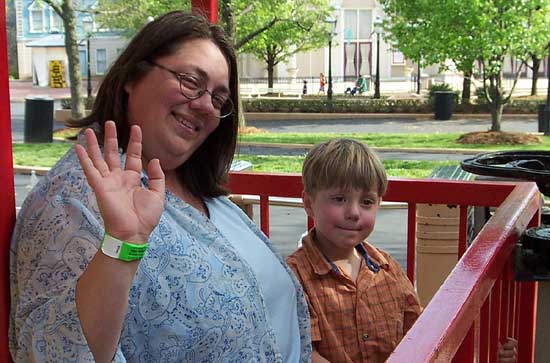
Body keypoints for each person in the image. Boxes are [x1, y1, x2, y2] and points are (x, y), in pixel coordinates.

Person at [10, 11, 311, 363]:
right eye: (189, 81)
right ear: (133, 76)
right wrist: (123, 243)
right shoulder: (75, 198)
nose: (204, 105)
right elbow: (54, 349)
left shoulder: (199, 192)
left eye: (218, 98)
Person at [286, 139, 422, 363]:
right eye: (339, 199)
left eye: (367, 202)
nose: (353, 212)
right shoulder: (294, 277)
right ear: (309, 204)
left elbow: (417, 333)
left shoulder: (387, 268)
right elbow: (305, 353)